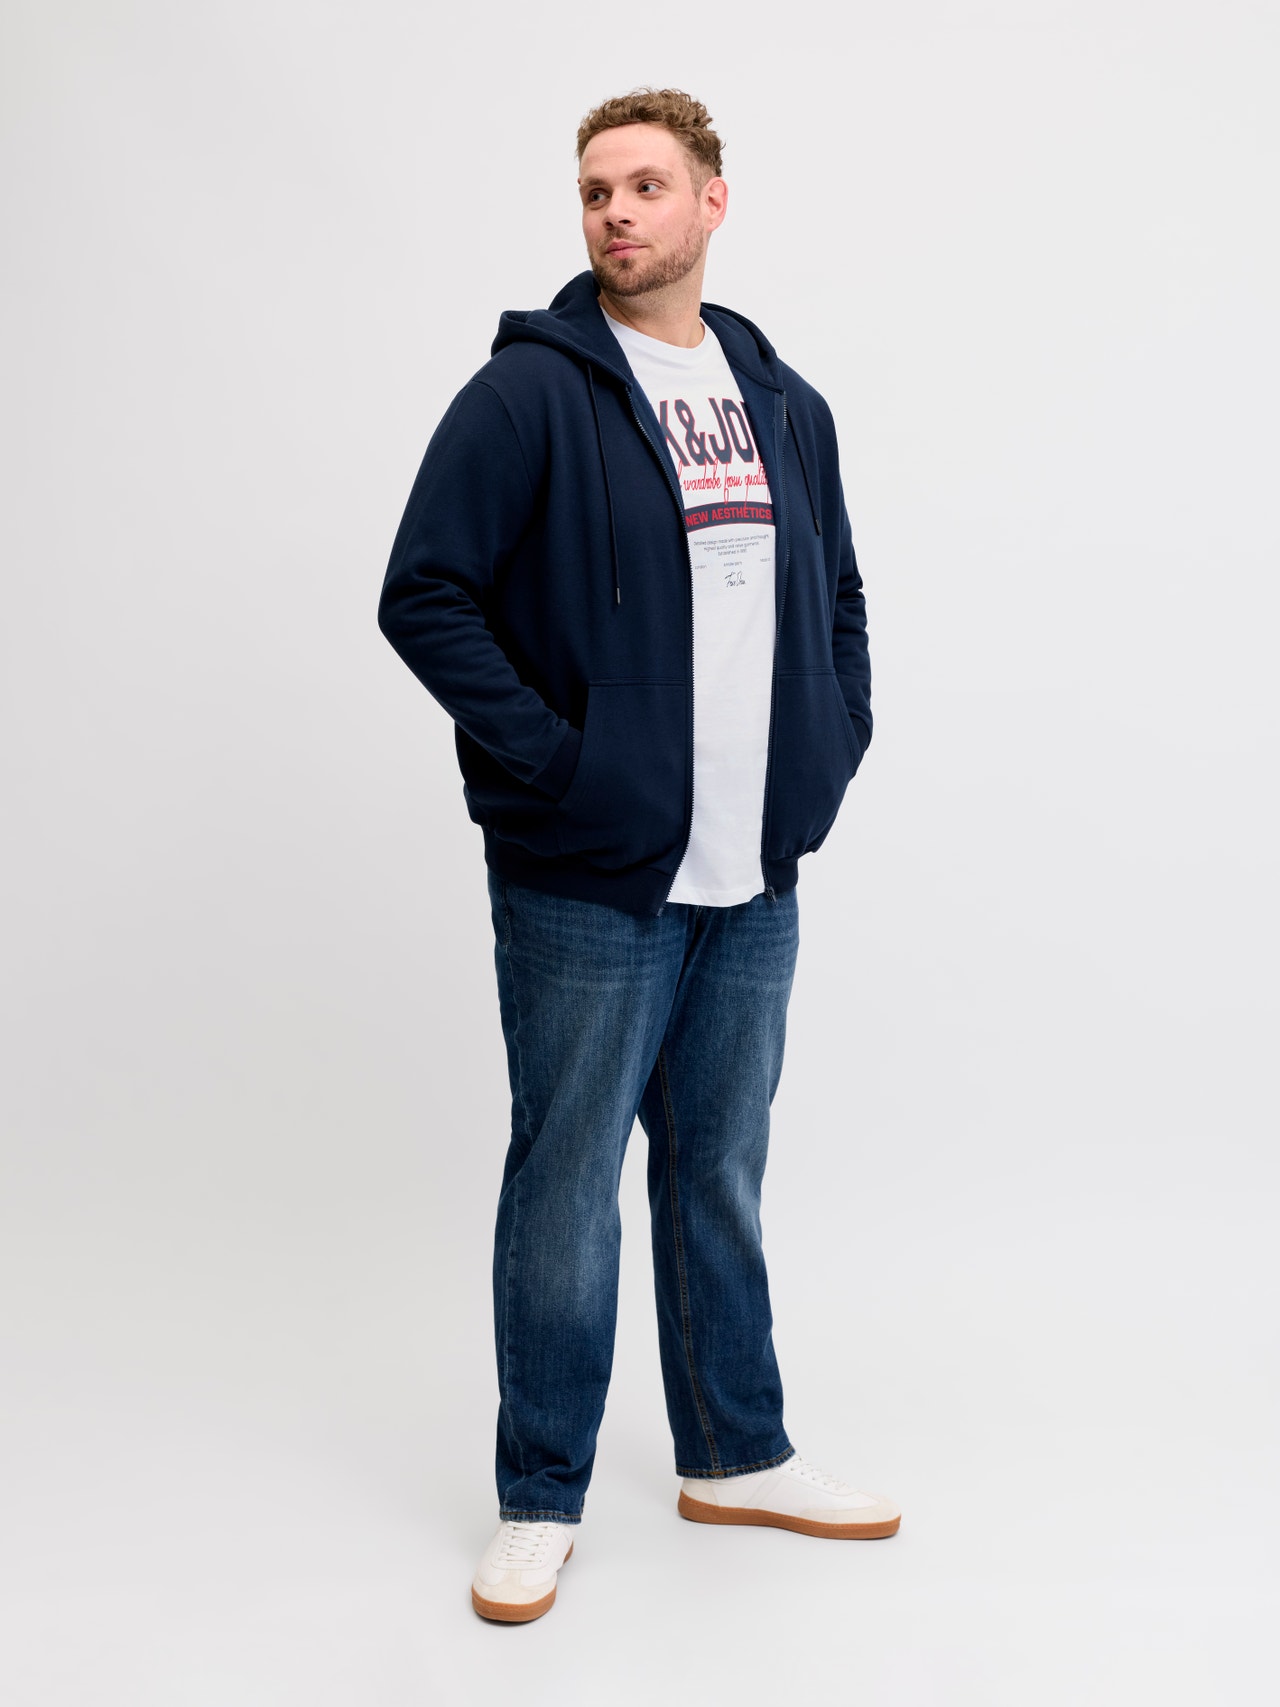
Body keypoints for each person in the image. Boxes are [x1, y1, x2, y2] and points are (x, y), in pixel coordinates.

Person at [377, 87, 899, 1624]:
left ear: (712, 202)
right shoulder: (528, 396)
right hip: (589, 883)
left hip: (752, 876)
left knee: (719, 1171)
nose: (616, 211)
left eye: (648, 185)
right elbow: (425, 594)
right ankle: (540, 1494)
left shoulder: (781, 401)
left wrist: (829, 747)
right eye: (597, 190)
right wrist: (562, 766)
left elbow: (839, 597)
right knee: (566, 1184)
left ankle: (736, 1452)